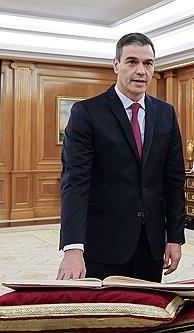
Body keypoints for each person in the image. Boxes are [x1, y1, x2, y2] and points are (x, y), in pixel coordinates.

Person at [57, 33, 186, 283]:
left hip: (151, 245)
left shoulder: (165, 114)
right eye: (132, 62)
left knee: (147, 317)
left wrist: (175, 237)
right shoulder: (87, 113)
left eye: (148, 63)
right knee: (103, 318)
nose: (141, 71)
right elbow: (75, 183)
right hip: (103, 244)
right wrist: (73, 247)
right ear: (116, 65)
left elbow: (174, 179)